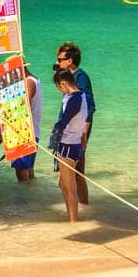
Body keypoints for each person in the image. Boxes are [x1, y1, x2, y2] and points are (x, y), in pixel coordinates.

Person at [47, 67, 89, 222]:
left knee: (69, 185)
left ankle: (73, 220)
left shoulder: (73, 99)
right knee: (62, 183)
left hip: (68, 145)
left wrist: (55, 127)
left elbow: (64, 121)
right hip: (74, 143)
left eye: (59, 87)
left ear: (63, 84)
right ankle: (71, 215)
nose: (60, 90)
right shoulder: (81, 95)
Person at [56, 42, 95, 206]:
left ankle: (81, 209)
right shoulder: (69, 77)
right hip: (71, 133)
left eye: (60, 59)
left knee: (77, 174)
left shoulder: (80, 77)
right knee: (73, 175)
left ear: (70, 60)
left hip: (77, 133)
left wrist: (84, 134)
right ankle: (82, 209)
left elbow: (90, 106)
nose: (58, 63)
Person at [11, 66, 43, 182]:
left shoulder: (28, 82)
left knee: (21, 172)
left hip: (25, 133)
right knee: (29, 169)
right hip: (33, 131)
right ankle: (31, 197)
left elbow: (23, 107)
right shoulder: (36, 79)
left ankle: (23, 199)